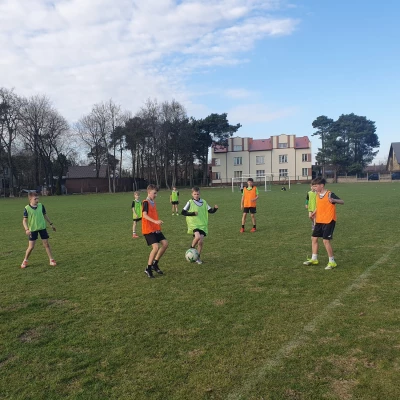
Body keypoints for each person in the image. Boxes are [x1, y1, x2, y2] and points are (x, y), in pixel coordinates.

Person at [303, 177, 344, 270]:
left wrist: (334, 200)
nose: (313, 188)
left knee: (325, 241)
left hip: (329, 220)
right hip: (319, 220)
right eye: (313, 186)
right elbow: (320, 206)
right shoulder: (317, 194)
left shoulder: (330, 194)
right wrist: (314, 212)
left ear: (322, 185)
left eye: (315, 186)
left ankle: (332, 262)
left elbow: (342, 201)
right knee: (314, 238)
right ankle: (314, 259)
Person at [181, 186, 218, 264]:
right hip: (194, 224)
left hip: (203, 224)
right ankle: (191, 249)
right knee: (197, 237)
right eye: (195, 194)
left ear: (199, 194)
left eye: (197, 194)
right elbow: (183, 212)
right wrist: (192, 213)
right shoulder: (190, 202)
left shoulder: (204, 202)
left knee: (200, 242)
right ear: (192, 194)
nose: (196, 195)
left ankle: (197, 258)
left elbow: (210, 211)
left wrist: (215, 209)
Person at [21, 191, 57, 269]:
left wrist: (51, 224)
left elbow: (45, 215)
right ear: (30, 199)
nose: (37, 200)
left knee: (46, 244)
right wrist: (26, 229)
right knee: (31, 247)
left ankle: (51, 260)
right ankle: (25, 260)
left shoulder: (41, 206)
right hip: (33, 230)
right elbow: (24, 220)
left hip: (42, 228)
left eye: (38, 198)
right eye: (35, 199)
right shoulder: (27, 208)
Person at [142, 184, 168, 278]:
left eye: (156, 193)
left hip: (155, 228)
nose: (156, 195)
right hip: (148, 229)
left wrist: (156, 223)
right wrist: (155, 221)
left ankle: (155, 264)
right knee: (156, 247)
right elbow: (144, 215)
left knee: (165, 244)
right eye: (154, 193)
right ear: (149, 192)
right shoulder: (145, 202)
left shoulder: (153, 202)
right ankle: (148, 268)